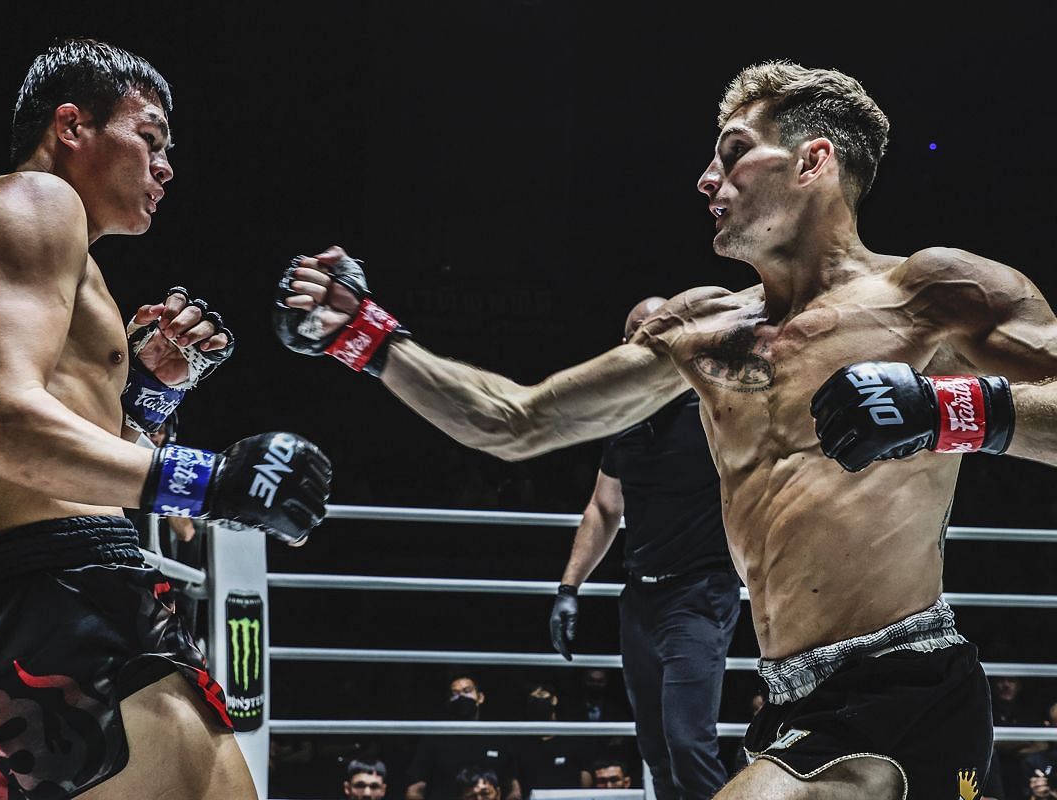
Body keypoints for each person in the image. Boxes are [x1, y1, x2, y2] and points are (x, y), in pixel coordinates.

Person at [276, 59, 1057, 797]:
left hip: (905, 681)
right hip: (786, 695)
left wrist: (949, 410)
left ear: (812, 161)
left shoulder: (932, 293)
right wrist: (369, 340)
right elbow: (516, 420)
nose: (707, 179)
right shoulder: (703, 331)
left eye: (734, 153)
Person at [0, 38, 332, 799]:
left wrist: (149, 400)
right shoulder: (32, 202)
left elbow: (35, 453)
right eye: (151, 137)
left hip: (33, 605)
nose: (166, 166)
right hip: (62, 604)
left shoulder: (55, 247)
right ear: (72, 125)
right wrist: (210, 481)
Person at [549, 296, 739, 800]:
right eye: (639, 333)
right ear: (625, 346)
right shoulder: (624, 419)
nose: (648, 342)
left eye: (659, 332)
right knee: (654, 748)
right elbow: (605, 508)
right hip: (639, 600)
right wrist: (569, 588)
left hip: (699, 594)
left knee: (687, 744)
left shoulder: (714, 409)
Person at [405, 671, 522, 800]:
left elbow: (512, 787)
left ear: (480, 697)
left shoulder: (498, 737)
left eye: (467, 691)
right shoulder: (435, 738)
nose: (461, 697)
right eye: (454, 694)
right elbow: (415, 790)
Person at [513, 681, 592, 794]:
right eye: (533, 699)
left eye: (541, 696)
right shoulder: (521, 744)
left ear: (554, 700)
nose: (538, 702)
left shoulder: (572, 739)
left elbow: (585, 779)